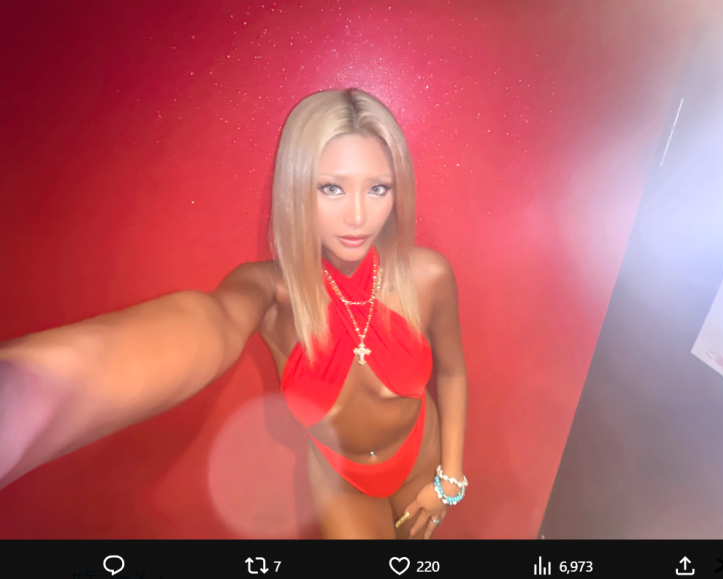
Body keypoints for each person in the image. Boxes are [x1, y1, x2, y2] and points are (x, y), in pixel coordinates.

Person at [0, 88, 468, 540]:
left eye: (379, 188)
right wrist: (36, 388)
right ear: (297, 189)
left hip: (422, 462)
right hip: (342, 481)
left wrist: (450, 478)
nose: (358, 217)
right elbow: (213, 322)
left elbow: (451, 375)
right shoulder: (273, 290)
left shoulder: (428, 276)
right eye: (331, 188)